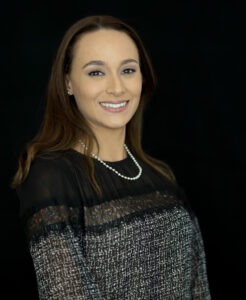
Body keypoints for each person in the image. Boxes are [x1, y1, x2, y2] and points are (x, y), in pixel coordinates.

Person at [12, 15, 211, 299]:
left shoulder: (161, 177)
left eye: (128, 70)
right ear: (68, 82)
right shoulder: (51, 177)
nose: (117, 87)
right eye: (96, 72)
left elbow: (198, 286)